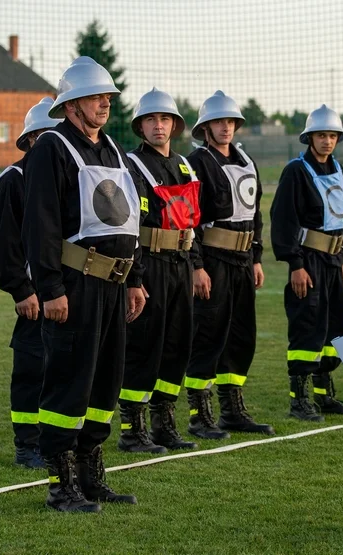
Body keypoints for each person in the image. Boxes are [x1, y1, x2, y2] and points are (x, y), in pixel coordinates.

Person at [23, 56, 147, 513]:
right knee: (68, 381)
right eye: (97, 96)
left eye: (109, 97)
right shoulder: (50, 149)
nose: (105, 103)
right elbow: (40, 226)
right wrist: (50, 288)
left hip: (114, 287)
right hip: (74, 287)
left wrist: (133, 278)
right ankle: (61, 485)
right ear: (71, 104)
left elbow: (129, 218)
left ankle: (92, 476)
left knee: (105, 380)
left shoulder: (112, 150)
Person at [184, 91, 274, 438]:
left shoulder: (246, 161)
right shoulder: (196, 162)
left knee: (240, 336)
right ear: (205, 127)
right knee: (207, 335)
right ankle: (199, 413)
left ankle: (232, 410)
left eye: (230, 121)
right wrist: (197, 266)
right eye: (218, 122)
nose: (226, 127)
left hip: (242, 261)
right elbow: (189, 219)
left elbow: (255, 215)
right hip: (213, 261)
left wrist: (256, 258)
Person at [118, 88, 200, 453]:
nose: (158, 126)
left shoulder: (183, 165)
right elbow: (129, 224)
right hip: (149, 264)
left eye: (165, 119)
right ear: (140, 126)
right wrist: (134, 277)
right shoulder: (131, 165)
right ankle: (132, 429)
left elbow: (191, 221)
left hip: (181, 264)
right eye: (150, 119)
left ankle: (163, 422)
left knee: (176, 344)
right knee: (144, 345)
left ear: (175, 125)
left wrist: (196, 265)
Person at [270, 105, 343, 422]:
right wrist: (296, 264)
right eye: (321, 135)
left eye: (332, 135)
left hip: (333, 262)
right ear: (309, 137)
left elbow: (342, 218)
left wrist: (342, 259)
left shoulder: (337, 167)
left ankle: (324, 395)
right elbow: (283, 219)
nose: (327, 141)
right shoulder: (296, 171)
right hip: (308, 261)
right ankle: (300, 400)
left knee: (334, 330)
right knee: (307, 328)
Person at [0, 96, 62, 469]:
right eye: (45, 137)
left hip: (67, 292)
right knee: (31, 369)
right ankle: (27, 444)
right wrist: (22, 289)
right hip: (36, 294)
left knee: (63, 368)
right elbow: (7, 242)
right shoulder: (14, 180)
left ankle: (56, 442)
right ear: (31, 139)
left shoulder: (64, 181)